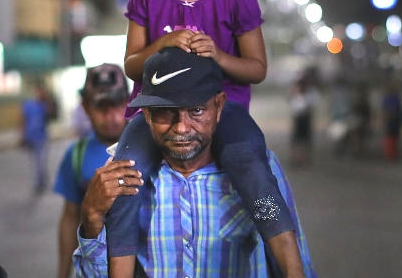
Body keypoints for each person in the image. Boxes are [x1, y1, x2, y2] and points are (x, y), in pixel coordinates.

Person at [106, 0, 300, 275]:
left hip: (220, 113)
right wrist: (163, 43)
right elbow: (131, 65)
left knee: (253, 171)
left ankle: (292, 266)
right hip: (157, 112)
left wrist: (218, 55)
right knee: (125, 176)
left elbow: (257, 68)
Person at [73, 47, 316, 277]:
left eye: (197, 110)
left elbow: (296, 266)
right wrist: (91, 217)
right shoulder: (124, 178)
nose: (181, 127)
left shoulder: (259, 170)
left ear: (219, 106)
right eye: (165, 111)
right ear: (146, 114)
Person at [52, 64, 129, 278]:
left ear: (129, 101)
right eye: (100, 107)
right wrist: (62, 273)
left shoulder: (148, 147)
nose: (110, 116)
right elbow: (70, 218)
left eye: (117, 105)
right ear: (85, 107)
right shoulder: (76, 155)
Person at [20, 80, 56, 194]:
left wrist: (48, 100)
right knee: (35, 161)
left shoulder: (44, 105)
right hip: (31, 136)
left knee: (41, 160)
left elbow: (52, 115)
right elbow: (23, 120)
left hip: (42, 137)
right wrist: (23, 135)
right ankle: (40, 180)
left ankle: (40, 181)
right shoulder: (28, 105)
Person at [381, 80, 402, 161]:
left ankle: (394, 152)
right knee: (389, 137)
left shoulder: (395, 98)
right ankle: (390, 153)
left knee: (395, 137)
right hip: (389, 120)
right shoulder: (386, 98)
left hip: (395, 120)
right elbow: (384, 109)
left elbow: (399, 108)